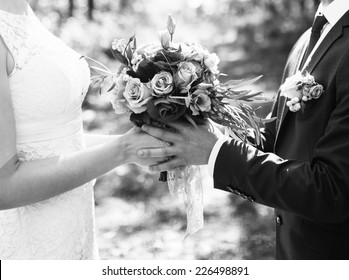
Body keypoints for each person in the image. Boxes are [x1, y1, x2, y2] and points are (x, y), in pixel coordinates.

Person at [138, 0, 349, 259]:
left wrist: (216, 152)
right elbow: (277, 137)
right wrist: (208, 131)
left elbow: (333, 190)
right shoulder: (309, 38)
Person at [0, 0, 165, 259]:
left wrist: (135, 145)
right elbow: (4, 186)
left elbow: (54, 144)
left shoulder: (22, 11)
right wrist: (122, 151)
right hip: (26, 243)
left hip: (71, 227)